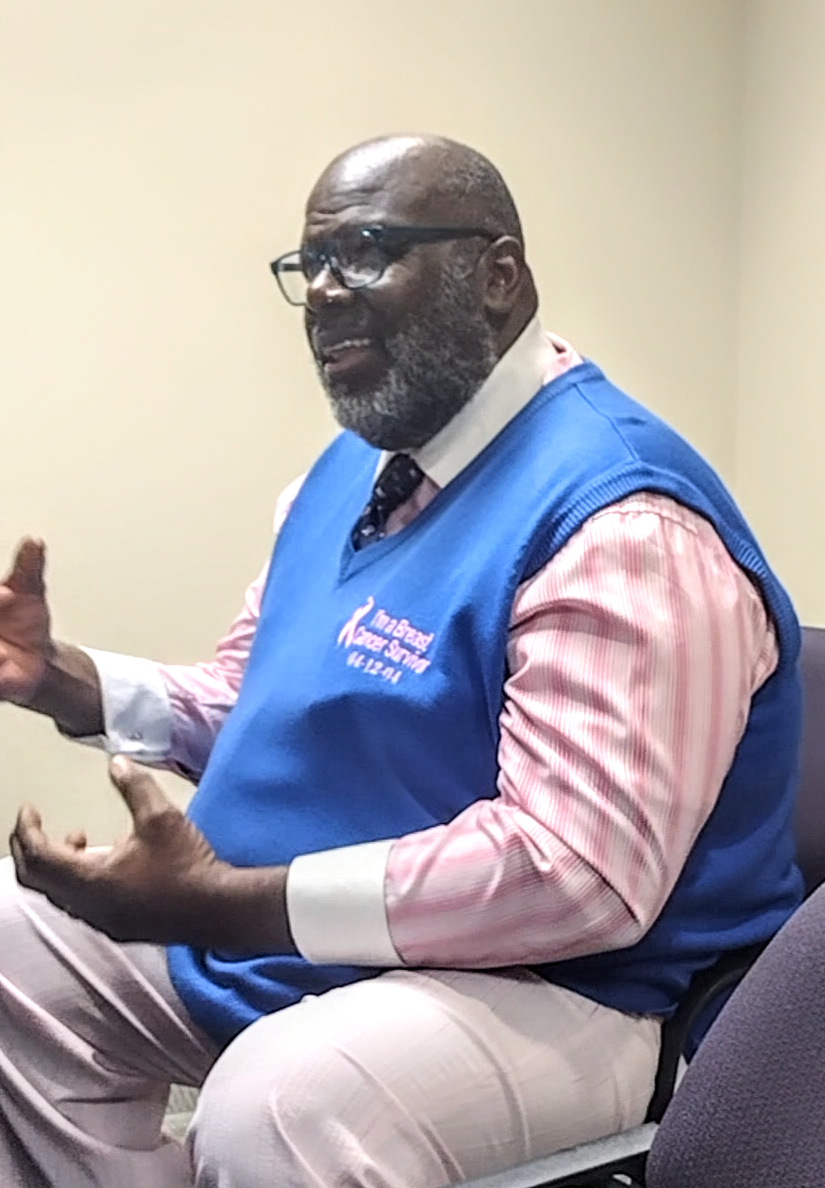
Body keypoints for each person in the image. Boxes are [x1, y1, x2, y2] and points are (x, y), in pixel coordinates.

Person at [0, 134, 803, 1188]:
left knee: (277, 1106)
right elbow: (255, 697)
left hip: (575, 988)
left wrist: (232, 902)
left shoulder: (622, 522)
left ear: (497, 276)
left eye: (367, 253)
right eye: (309, 267)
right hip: (304, 930)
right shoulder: (354, 472)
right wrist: (68, 682)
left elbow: (575, 879)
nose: (324, 296)